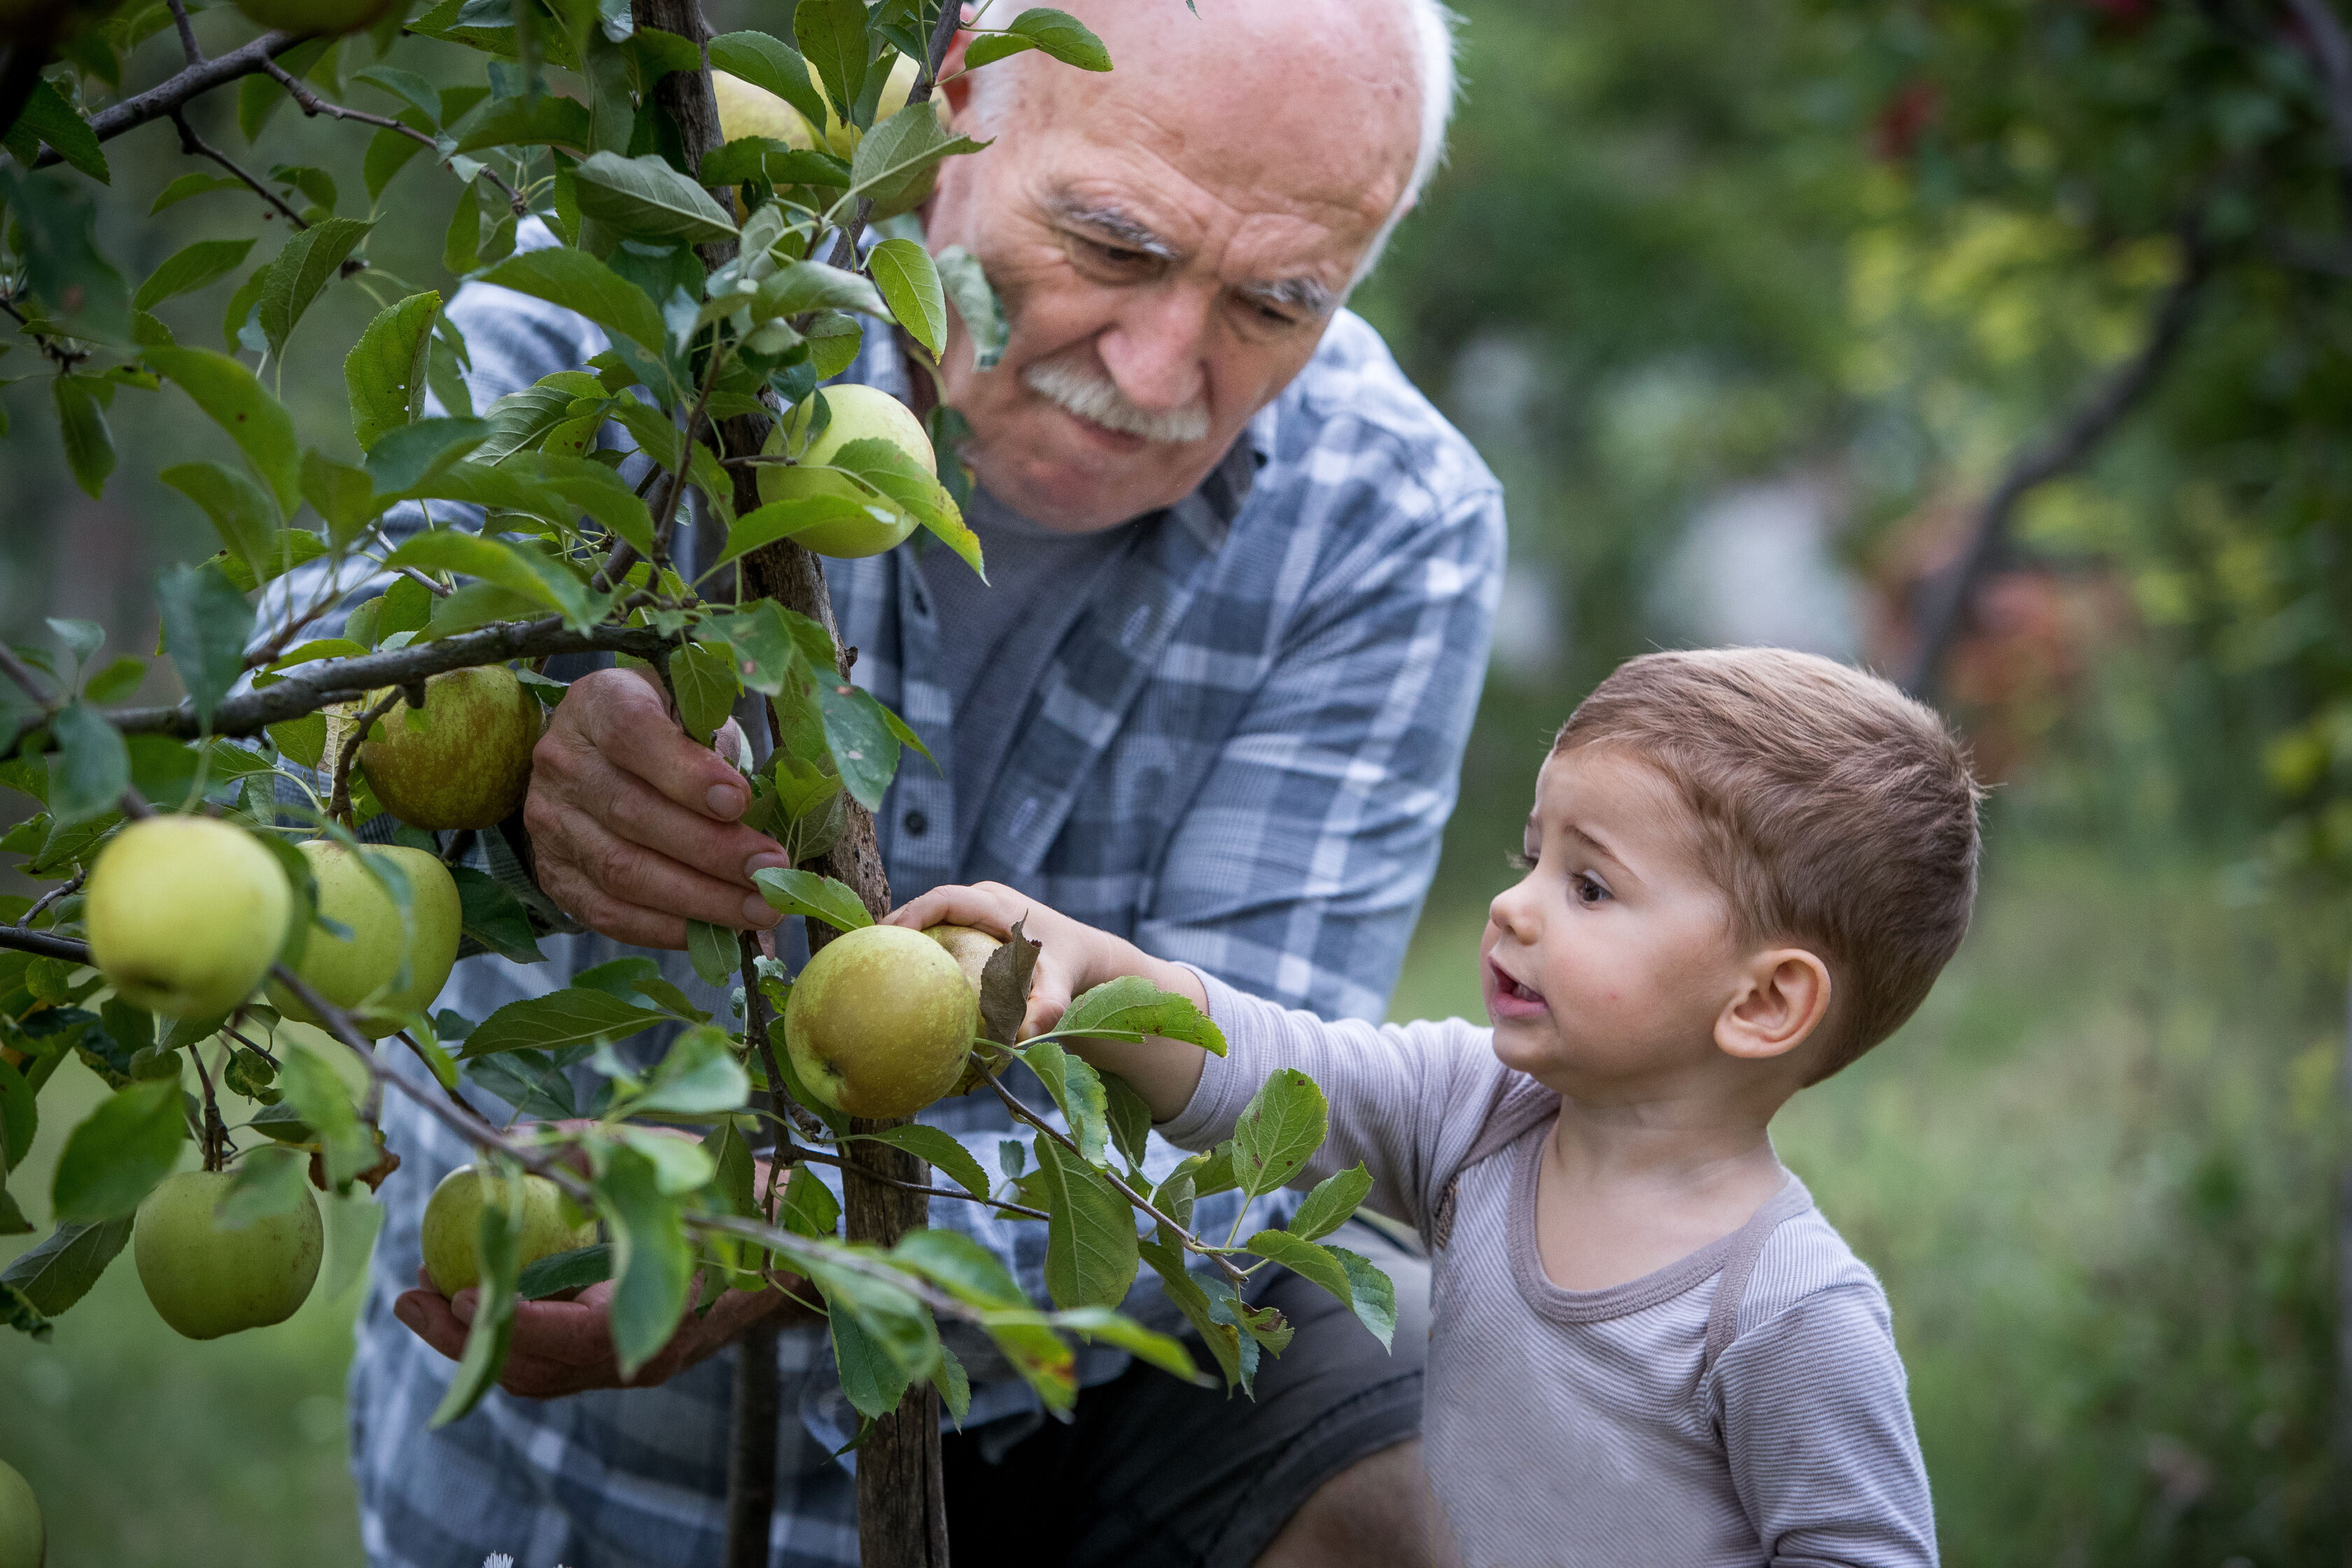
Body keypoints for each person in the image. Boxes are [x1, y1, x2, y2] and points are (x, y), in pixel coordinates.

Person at [349, 1, 1507, 1564]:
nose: (1162, 363)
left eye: (1281, 301)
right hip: (564, 1476)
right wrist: (491, 748)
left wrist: (806, 1218)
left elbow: (1246, 1129)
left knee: (1460, 1455)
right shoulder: (646, 303)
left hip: (1050, 1426)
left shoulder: (1392, 512)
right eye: (1112, 241)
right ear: (958, 99)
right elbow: (302, 668)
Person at [890, 648, 1979, 1567]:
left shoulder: (1785, 1311)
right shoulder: (1485, 1112)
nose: (1513, 904)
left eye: (1588, 886)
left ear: (1764, 1001)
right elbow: (1271, 1067)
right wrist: (1087, 969)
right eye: (1531, 855)